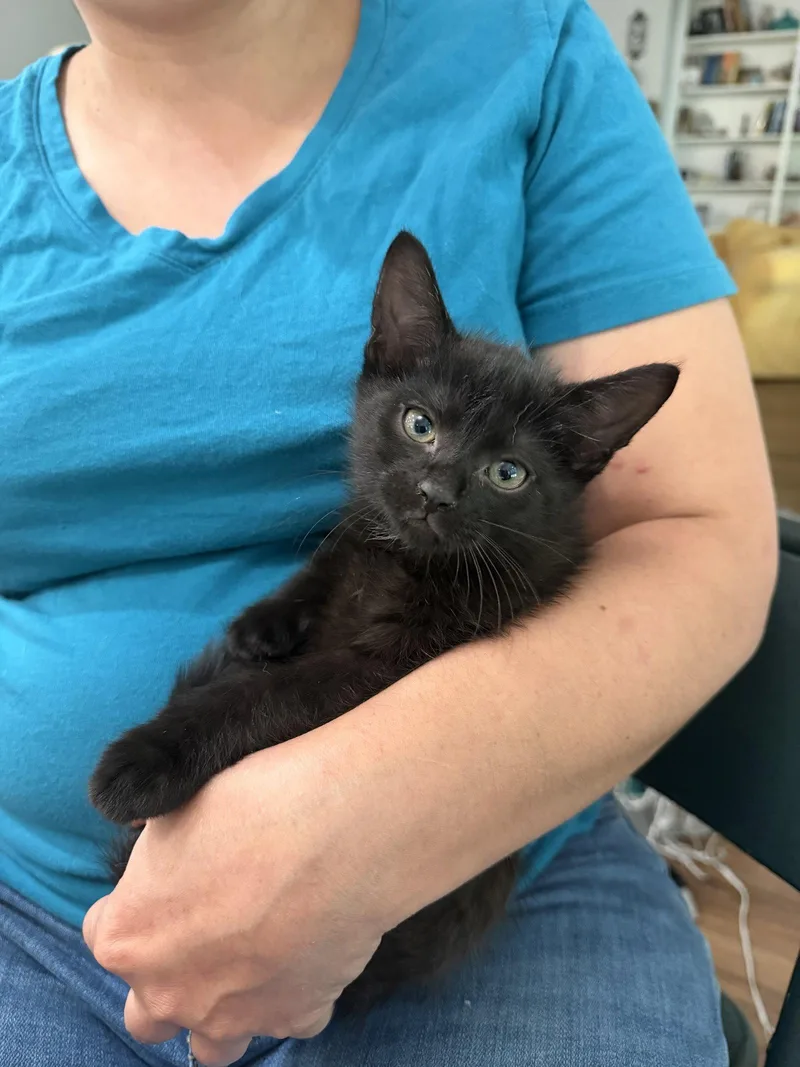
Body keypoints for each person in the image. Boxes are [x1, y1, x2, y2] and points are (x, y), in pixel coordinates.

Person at [0, 2, 777, 1065]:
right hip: (34, 911)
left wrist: (362, 815)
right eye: (421, 430)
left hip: (475, 874)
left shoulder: (525, 48)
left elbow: (697, 525)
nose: (441, 487)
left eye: (501, 472)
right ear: (381, 362)